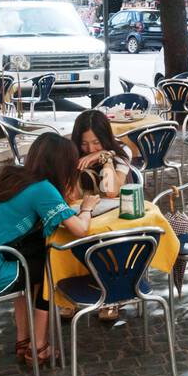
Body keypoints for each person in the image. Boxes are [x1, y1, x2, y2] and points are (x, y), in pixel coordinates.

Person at [0, 133, 100, 365]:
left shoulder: (13, 178)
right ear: (62, 164)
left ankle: (24, 342)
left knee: (34, 261)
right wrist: (87, 208)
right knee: (49, 269)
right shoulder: (42, 189)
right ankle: (39, 348)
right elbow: (79, 230)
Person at [71, 108, 134, 320]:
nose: (90, 148)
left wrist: (106, 158)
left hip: (114, 217)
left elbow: (111, 191)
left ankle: (112, 295)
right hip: (83, 214)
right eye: (84, 143)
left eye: (96, 142)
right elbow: (70, 195)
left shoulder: (122, 152)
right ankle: (69, 293)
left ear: (106, 138)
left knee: (111, 241)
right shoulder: (71, 154)